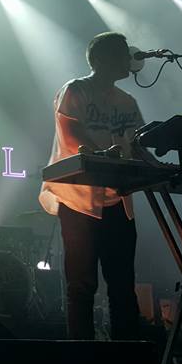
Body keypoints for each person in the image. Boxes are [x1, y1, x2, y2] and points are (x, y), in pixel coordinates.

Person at [39, 31, 152, 340]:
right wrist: (103, 156)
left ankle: (126, 358)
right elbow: (71, 133)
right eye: (122, 54)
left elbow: (139, 143)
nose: (128, 60)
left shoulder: (127, 101)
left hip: (118, 200)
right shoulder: (75, 90)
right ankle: (83, 358)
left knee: (122, 285)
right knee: (82, 285)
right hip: (78, 200)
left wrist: (158, 166)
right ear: (101, 59)